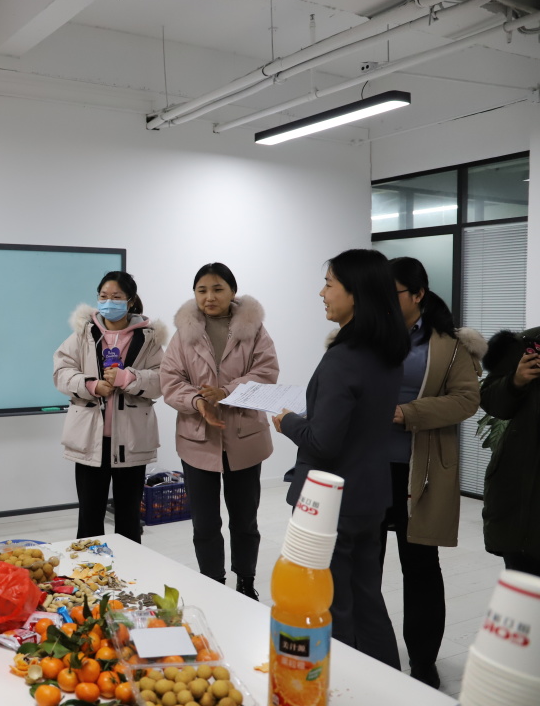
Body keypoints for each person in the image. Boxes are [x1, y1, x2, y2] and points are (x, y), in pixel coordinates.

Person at [272, 248, 410, 669]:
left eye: (329, 284)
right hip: (370, 495)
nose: (322, 293)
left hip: (329, 503)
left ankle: (346, 685)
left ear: (356, 293)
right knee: (367, 598)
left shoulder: (343, 359)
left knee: (332, 605)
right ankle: (387, 683)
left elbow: (323, 441)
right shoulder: (387, 353)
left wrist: (288, 421)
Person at [379, 256, 484, 688]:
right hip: (368, 467)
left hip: (419, 470)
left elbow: (466, 399)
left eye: (393, 294)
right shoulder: (366, 336)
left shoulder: (450, 345)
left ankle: (423, 659)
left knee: (420, 565)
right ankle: (368, 645)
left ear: (418, 294)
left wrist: (408, 413)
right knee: (362, 562)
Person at [160, 263, 279, 599]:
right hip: (197, 440)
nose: (209, 297)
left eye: (217, 289)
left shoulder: (254, 330)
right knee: (205, 523)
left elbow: (266, 372)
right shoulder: (183, 334)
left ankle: (246, 583)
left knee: (245, 521)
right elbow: (170, 380)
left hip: (245, 438)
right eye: (202, 290)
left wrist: (226, 392)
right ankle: (213, 584)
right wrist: (198, 401)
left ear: (232, 291)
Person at [53, 271, 165, 544]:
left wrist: (129, 378)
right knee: (89, 517)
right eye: (103, 296)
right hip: (90, 440)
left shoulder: (148, 338)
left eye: (116, 297)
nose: (108, 302)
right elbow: (61, 372)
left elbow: (162, 380)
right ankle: (89, 568)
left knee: (128, 518)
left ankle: (129, 567)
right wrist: (91, 385)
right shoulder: (84, 333)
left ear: (130, 301)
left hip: (131, 441)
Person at [478, 323, 540, 577]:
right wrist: (516, 381)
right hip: (524, 494)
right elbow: (492, 402)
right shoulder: (526, 344)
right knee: (522, 585)